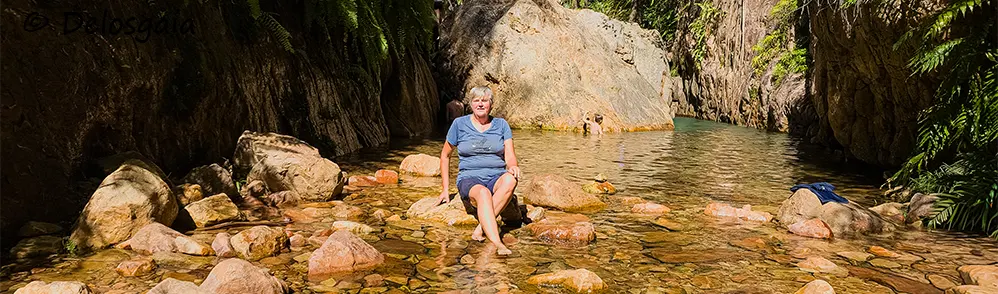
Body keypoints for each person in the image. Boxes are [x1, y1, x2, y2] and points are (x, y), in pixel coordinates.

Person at [438, 86, 521, 256]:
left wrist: (513, 166)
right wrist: (445, 190)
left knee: (511, 180)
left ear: (491, 104)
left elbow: (510, 155)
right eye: (476, 100)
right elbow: (445, 156)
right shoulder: (459, 125)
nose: (480, 104)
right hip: (470, 178)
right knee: (483, 193)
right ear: (471, 104)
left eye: (484, 100)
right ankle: (497, 243)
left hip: (496, 176)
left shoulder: (501, 125)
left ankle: (480, 228)